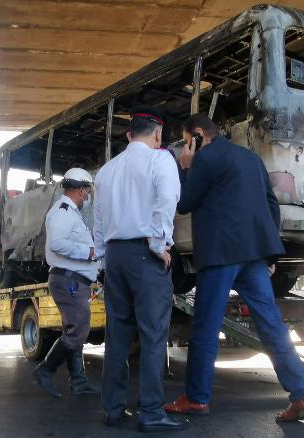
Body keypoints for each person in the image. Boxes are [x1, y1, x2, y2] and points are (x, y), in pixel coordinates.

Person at [165, 114, 304, 422]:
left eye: (185, 140)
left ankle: (196, 398)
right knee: (272, 326)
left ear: (196, 136)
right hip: (255, 257)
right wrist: (269, 255)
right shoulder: (251, 159)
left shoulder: (205, 158)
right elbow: (271, 206)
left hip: (220, 255)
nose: (184, 146)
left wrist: (184, 168)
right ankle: (302, 395)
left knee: (206, 327)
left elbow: (185, 202)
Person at [93, 105, 186, 432]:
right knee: (152, 334)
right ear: (158, 134)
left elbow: (99, 221)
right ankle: (150, 411)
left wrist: (104, 258)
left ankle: (114, 409)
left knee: (117, 335)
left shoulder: (106, 170)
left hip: (115, 258)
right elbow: (167, 199)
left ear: (130, 134)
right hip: (145, 255)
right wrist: (160, 244)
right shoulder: (160, 159)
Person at [34, 168, 101, 398]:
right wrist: (89, 252)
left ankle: (79, 381)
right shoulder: (62, 212)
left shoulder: (71, 212)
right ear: (81, 190)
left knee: (73, 329)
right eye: (88, 190)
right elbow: (57, 244)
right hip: (68, 280)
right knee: (79, 330)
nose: (89, 195)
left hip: (74, 280)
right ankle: (45, 369)